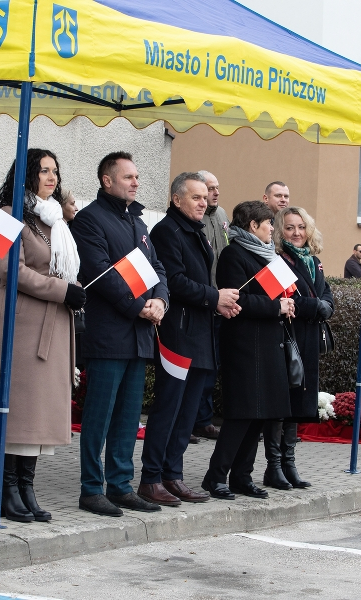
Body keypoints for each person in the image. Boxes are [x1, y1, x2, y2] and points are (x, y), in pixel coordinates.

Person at [70, 151, 169, 517]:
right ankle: (91, 489)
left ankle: (121, 485)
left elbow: (157, 269)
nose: (136, 182)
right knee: (99, 416)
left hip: (139, 335)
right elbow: (100, 272)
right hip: (108, 334)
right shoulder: (89, 220)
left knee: (129, 417)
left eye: (137, 177)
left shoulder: (138, 223)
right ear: (107, 180)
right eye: (128, 177)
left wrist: (160, 301)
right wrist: (138, 306)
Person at [0, 149, 83, 523]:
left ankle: (26, 486)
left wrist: (71, 289)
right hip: (22, 320)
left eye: (55, 170)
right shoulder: (6, 213)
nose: (52, 177)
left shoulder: (54, 218)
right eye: (44, 171)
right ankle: (7, 488)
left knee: (39, 411)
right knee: (20, 408)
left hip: (53, 321)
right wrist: (63, 290)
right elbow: (11, 270)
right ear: (27, 175)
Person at [138, 172, 239, 507]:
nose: (203, 202)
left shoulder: (196, 230)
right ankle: (151, 479)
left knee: (187, 414)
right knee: (169, 409)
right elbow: (174, 282)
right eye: (196, 197)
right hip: (178, 334)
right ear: (176, 199)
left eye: (205, 197)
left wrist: (216, 303)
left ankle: (172, 475)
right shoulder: (167, 231)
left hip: (199, 333)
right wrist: (214, 297)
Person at [201, 201, 294, 500]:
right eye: (268, 223)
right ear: (253, 225)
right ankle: (216, 477)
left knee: (259, 415)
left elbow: (273, 293)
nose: (272, 229)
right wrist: (276, 307)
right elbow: (237, 300)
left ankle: (242, 477)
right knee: (241, 415)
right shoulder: (234, 254)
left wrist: (286, 304)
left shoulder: (267, 255)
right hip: (244, 346)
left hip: (268, 343)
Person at [269, 206, 333, 488]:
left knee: (298, 403)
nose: (297, 233)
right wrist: (316, 306)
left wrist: (325, 306)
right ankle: (274, 467)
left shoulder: (314, 261)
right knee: (282, 403)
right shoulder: (277, 261)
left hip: (309, 339)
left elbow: (326, 294)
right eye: (290, 227)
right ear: (280, 231)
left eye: (301, 227)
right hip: (288, 338)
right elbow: (286, 298)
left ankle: (289, 464)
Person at [193, 169, 229, 442]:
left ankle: (203, 420)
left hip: (221, 301)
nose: (215, 193)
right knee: (197, 365)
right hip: (201, 299)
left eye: (216, 188)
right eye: (210, 188)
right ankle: (191, 421)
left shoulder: (222, 215)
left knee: (212, 365)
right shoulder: (194, 218)